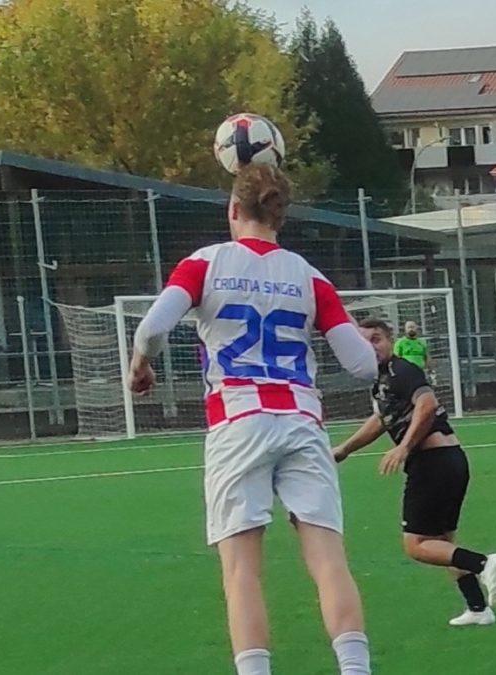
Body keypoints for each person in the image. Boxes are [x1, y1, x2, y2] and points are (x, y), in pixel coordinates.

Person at [128, 164, 376, 675]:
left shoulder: (205, 263)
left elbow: (152, 330)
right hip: (302, 420)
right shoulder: (309, 276)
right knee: (328, 559)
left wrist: (141, 364)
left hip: (238, 421)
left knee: (242, 571)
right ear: (280, 216)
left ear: (232, 209)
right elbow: (363, 364)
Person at [333, 319, 496, 627]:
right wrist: (344, 449)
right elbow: (380, 421)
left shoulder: (401, 370)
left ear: (391, 341)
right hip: (450, 459)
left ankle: (483, 563)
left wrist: (404, 447)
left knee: (416, 545)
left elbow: (427, 404)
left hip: (433, 461)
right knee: (443, 541)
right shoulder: (383, 380)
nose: (372, 347)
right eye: (365, 342)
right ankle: (478, 609)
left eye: (377, 339)